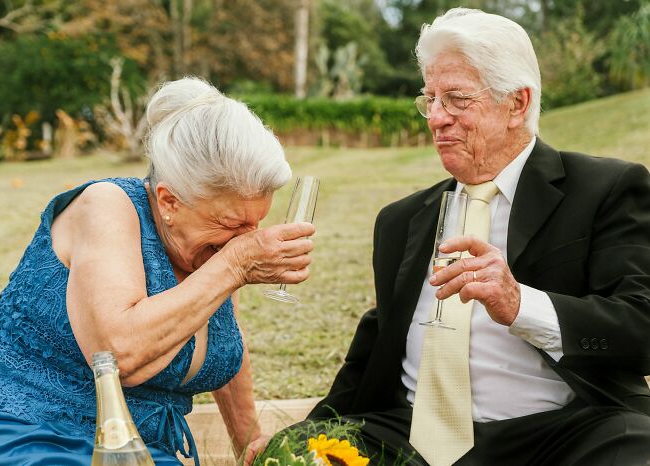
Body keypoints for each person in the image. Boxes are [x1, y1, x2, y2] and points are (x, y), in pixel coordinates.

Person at [259, 8, 650, 466]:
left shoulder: (603, 189)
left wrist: (520, 304)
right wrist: (300, 437)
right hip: (410, 437)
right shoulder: (401, 220)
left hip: (559, 434)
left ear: (518, 104)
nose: (437, 118)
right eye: (430, 99)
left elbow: (640, 326)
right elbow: (374, 350)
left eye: (457, 99)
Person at [0, 77, 314, 465]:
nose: (247, 239)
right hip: (22, 433)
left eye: (255, 223)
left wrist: (251, 445)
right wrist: (235, 263)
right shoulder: (107, 206)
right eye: (230, 224)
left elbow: (225, 341)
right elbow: (117, 357)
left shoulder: (213, 252)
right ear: (169, 201)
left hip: (134, 450)